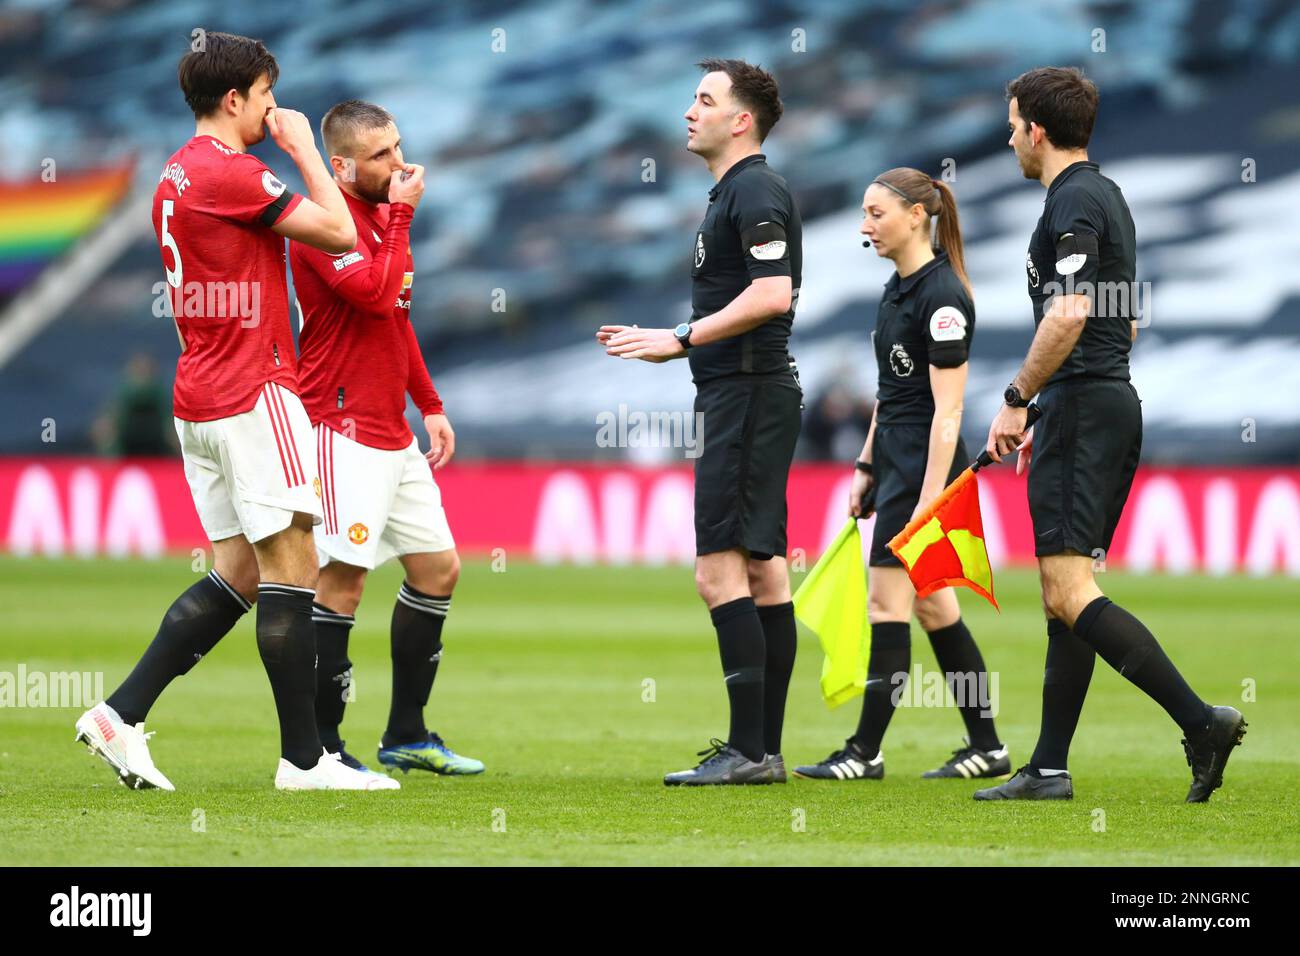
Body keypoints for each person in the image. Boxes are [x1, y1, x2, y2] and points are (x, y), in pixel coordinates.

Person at [75, 32, 395, 791]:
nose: (271, 109)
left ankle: (121, 714)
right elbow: (341, 231)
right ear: (235, 100)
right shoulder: (233, 173)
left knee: (239, 573)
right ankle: (305, 761)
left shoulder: (172, 177)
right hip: (255, 390)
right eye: (265, 97)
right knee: (296, 570)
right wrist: (301, 147)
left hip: (200, 396)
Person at [978, 66, 1245, 802]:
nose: (1007, 138)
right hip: (1102, 400)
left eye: (1011, 125)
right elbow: (1125, 314)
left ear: (1036, 129)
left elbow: (1067, 315)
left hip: (1085, 404)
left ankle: (1201, 721)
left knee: (1068, 591)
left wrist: (1019, 398)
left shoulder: (1073, 200)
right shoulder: (1108, 198)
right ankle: (1049, 768)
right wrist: (1058, 398)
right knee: (1064, 593)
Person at [597, 58, 802, 786]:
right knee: (763, 573)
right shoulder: (733, 192)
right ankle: (763, 751)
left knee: (719, 574)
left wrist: (680, 338)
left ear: (739, 119)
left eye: (704, 99)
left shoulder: (755, 190)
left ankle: (748, 752)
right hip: (743, 393)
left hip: (746, 397)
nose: (689, 110)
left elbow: (774, 293)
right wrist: (672, 341)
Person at [795, 168, 1009, 783]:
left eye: (876, 213)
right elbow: (891, 394)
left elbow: (949, 409)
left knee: (885, 601)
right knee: (935, 609)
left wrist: (930, 500)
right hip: (894, 460)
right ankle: (988, 747)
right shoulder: (897, 289)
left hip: (923, 468)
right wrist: (865, 463)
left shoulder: (943, 297)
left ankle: (864, 752)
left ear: (917, 215)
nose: (865, 225)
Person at [291, 100, 483, 778]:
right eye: (380, 156)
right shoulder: (320, 226)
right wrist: (402, 216)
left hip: (389, 430)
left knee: (438, 570)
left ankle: (406, 733)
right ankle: (320, 749)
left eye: (398, 146)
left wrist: (428, 404)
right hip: (339, 427)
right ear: (340, 165)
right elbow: (373, 294)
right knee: (340, 584)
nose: (399, 164)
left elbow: (395, 320)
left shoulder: (382, 217)